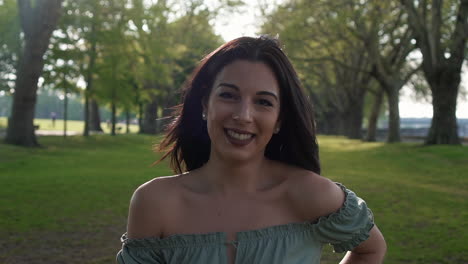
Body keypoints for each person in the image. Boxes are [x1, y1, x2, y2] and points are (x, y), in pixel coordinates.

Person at [117, 36, 386, 264]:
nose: (243, 115)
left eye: (263, 102)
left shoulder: (311, 194)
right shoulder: (155, 203)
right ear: (204, 105)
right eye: (228, 95)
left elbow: (371, 249)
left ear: (280, 119)